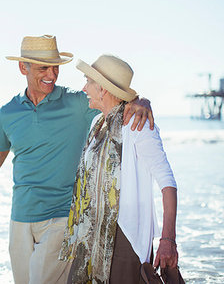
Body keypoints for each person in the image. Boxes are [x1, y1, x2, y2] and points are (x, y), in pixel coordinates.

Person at [0, 35, 154, 284]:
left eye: (55, 67)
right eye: (43, 68)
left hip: (62, 219)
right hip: (20, 219)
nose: (52, 74)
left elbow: (114, 98)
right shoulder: (8, 113)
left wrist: (141, 101)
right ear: (22, 68)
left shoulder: (77, 104)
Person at [59, 55, 178, 283]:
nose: (84, 87)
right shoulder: (97, 124)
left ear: (102, 89)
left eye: (88, 81)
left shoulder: (138, 125)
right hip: (90, 235)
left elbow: (167, 182)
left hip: (125, 237)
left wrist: (168, 240)